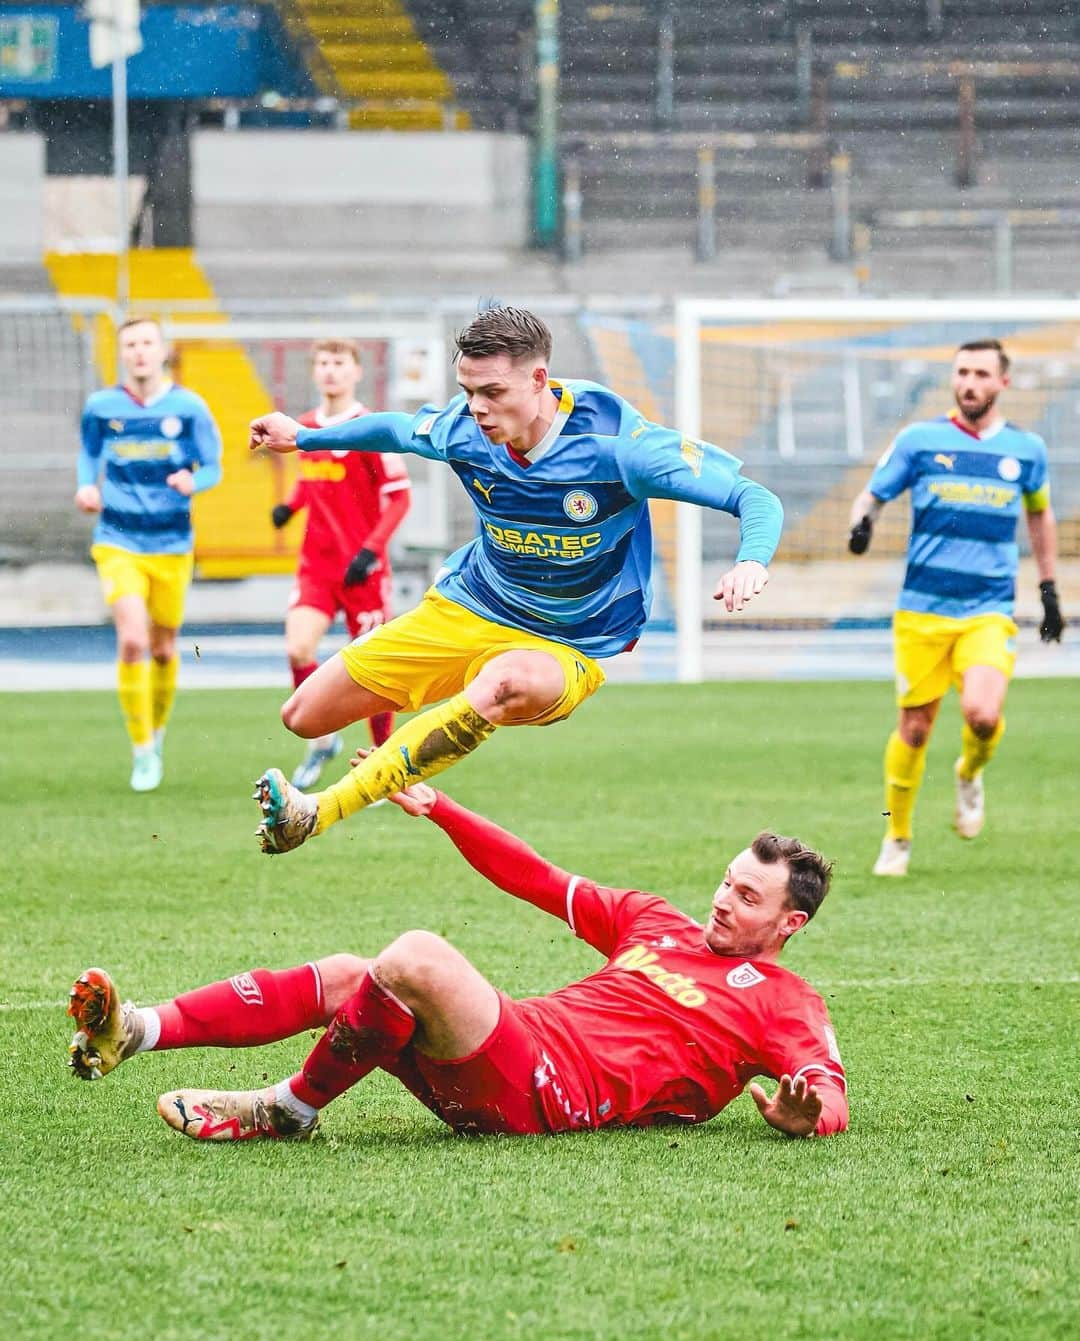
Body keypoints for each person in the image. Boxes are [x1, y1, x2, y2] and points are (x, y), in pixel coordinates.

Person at [246, 306, 784, 855]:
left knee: (505, 683)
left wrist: (751, 560)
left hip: (569, 641)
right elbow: (398, 430)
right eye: (468, 390)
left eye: (493, 392)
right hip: (472, 606)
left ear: (538, 380)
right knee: (303, 716)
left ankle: (316, 811)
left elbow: (752, 496)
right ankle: (469, 688)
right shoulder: (465, 429)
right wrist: (306, 437)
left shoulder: (623, 446)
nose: (477, 407)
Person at [67, 772, 848, 1142]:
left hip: (548, 1095)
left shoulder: (785, 1000)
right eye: (727, 882)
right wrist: (444, 809)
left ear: (792, 923)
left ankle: (287, 1109)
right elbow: (535, 877)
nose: (722, 900)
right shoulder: (656, 922)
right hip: (514, 1042)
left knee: (416, 958)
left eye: (749, 899)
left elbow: (827, 1091)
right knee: (351, 975)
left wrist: (803, 1114)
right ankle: (138, 1029)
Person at [848, 338, 1064, 877]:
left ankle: (969, 771)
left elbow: (1040, 517)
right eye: (962, 372)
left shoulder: (1026, 450)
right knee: (915, 730)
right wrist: (862, 524)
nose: (969, 383)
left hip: (988, 609)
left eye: (981, 374)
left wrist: (1050, 588)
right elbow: (873, 495)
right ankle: (896, 835)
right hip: (921, 610)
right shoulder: (919, 440)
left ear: (1002, 383)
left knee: (983, 716)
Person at [75, 315, 223, 791]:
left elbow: (214, 466)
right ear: (122, 353)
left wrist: (192, 480)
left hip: (172, 544)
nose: (139, 351)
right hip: (117, 539)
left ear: (162, 350)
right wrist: (85, 485)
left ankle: (156, 733)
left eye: (146, 343)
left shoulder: (190, 407)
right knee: (133, 640)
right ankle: (141, 750)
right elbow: (89, 452)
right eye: (131, 344)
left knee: (163, 648)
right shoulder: (102, 406)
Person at [270, 338, 412, 789]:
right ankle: (323, 737)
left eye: (340, 363)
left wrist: (371, 551)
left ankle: (383, 766)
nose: (331, 371)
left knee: (375, 671)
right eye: (324, 363)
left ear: (356, 372)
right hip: (317, 567)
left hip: (362, 571)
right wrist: (290, 507)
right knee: (298, 648)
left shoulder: (370, 428)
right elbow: (314, 482)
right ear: (315, 372)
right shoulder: (305, 427)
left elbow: (399, 498)